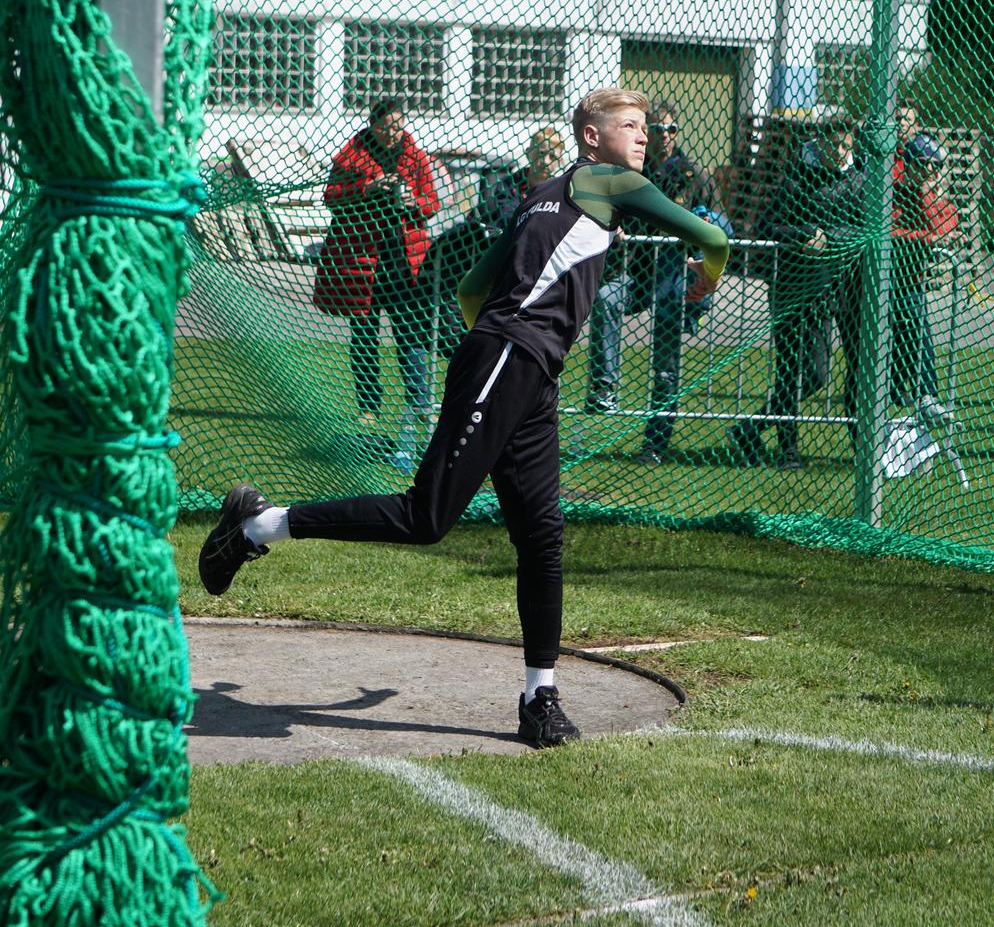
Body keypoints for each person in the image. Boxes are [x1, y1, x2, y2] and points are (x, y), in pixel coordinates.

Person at [200, 89, 730, 747]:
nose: (644, 136)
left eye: (646, 127)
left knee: (542, 535)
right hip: (511, 360)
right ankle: (256, 525)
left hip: (522, 370)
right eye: (629, 125)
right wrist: (707, 276)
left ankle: (539, 698)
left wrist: (502, 347)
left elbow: (471, 289)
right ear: (591, 138)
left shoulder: (546, 195)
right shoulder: (608, 179)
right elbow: (710, 237)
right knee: (426, 517)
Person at [730, 116, 866, 469]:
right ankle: (787, 449)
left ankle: (751, 429)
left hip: (846, 286)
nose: (840, 152)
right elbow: (768, 226)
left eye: (846, 145)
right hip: (796, 286)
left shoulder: (859, 179)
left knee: (853, 368)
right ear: (819, 143)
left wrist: (830, 237)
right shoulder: (797, 178)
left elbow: (867, 230)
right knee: (800, 371)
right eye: (833, 145)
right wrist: (805, 233)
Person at [312, 98, 440, 469]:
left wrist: (411, 199)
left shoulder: (416, 157)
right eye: (386, 126)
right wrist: (368, 188)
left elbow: (431, 204)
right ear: (373, 125)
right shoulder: (350, 155)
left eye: (398, 126)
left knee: (410, 334)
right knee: (364, 334)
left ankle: (419, 402)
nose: (392, 133)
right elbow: (331, 197)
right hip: (362, 261)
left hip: (403, 262)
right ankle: (369, 405)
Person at [584, 101, 712, 460]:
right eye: (657, 130)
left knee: (665, 363)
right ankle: (604, 388)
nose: (664, 136)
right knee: (607, 298)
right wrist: (613, 224)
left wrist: (699, 224)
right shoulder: (629, 168)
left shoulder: (690, 173)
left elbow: (710, 219)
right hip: (638, 272)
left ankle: (655, 443)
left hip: (673, 275)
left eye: (671, 130)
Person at [425, 128, 567, 363]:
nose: (545, 160)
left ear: (561, 159)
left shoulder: (563, 190)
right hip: (508, 264)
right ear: (529, 152)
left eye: (552, 156)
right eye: (541, 153)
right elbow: (508, 217)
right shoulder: (509, 185)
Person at [891, 133, 958, 420]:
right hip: (887, 281)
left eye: (936, 165)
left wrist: (926, 195)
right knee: (912, 333)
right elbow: (890, 234)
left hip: (912, 282)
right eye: (923, 163)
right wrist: (925, 239)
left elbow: (946, 226)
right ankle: (921, 393)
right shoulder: (893, 192)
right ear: (908, 164)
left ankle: (918, 393)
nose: (930, 170)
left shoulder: (930, 196)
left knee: (915, 334)